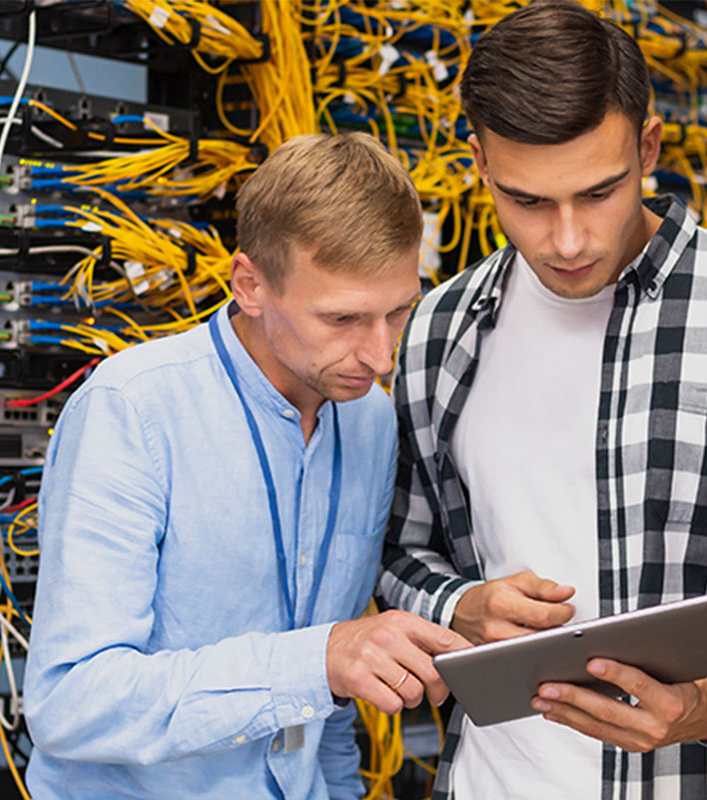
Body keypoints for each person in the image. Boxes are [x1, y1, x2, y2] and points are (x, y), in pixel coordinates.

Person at [378, 2, 707, 798]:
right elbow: (400, 553)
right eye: (528, 202)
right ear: (478, 160)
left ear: (649, 146)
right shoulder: (440, 331)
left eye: (599, 192)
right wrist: (461, 604)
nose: (568, 240)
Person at [24, 132, 470, 800]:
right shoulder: (133, 410)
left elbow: (326, 717)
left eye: (398, 311)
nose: (379, 355)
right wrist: (315, 661)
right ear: (251, 285)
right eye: (343, 318)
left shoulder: (370, 420)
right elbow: (71, 700)